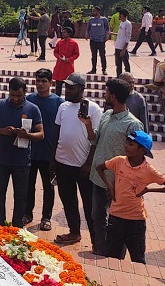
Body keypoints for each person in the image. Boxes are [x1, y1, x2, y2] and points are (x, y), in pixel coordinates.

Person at [85, 78, 144, 255]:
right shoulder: (106, 115)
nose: (104, 95)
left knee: (119, 220)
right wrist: (88, 126)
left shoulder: (132, 124)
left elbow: (137, 156)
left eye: (106, 92)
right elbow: (95, 139)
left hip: (118, 184)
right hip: (99, 178)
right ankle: (102, 249)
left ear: (113, 95)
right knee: (97, 217)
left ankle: (117, 253)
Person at [96, 130, 165, 263]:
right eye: (127, 143)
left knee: (138, 260)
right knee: (112, 257)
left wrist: (149, 190)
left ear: (142, 150)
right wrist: (110, 187)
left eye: (131, 144)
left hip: (136, 221)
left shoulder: (149, 171)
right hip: (116, 217)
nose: (126, 146)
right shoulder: (119, 161)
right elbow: (100, 168)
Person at [0, 77, 44, 228]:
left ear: (25, 92)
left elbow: (41, 134)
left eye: (18, 95)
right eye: (12, 95)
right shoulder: (0, 105)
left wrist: (27, 135)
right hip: (1, 160)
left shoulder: (32, 109)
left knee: (20, 196)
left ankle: (17, 226)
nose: (15, 98)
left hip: (22, 162)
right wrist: (2, 131)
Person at [52, 72, 103, 246]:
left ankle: (97, 241)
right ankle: (74, 233)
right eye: (66, 86)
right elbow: (57, 133)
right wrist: (53, 160)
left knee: (89, 205)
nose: (67, 90)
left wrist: (89, 163)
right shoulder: (63, 107)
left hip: (83, 167)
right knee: (68, 201)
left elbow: (96, 140)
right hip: (62, 163)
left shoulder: (94, 109)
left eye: (71, 87)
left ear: (81, 89)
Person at [25, 68, 64, 231]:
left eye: (44, 81)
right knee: (28, 185)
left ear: (51, 83)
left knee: (49, 187)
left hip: (49, 153)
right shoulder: (29, 100)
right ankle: (27, 213)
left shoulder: (59, 103)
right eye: (38, 81)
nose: (40, 84)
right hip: (29, 152)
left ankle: (46, 217)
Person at [52, 27, 79, 96]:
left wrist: (69, 59)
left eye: (65, 32)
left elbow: (76, 54)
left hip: (68, 66)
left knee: (69, 85)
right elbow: (55, 52)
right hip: (59, 66)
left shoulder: (74, 43)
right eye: (62, 32)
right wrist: (58, 57)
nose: (63, 34)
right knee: (58, 85)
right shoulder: (59, 42)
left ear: (69, 33)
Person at [86, 6, 110, 75]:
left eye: (94, 11)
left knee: (102, 55)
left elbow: (108, 29)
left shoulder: (104, 20)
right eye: (93, 11)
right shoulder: (91, 20)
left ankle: (104, 69)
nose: (93, 12)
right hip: (93, 40)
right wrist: (87, 34)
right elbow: (88, 29)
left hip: (101, 40)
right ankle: (93, 69)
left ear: (98, 12)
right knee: (94, 56)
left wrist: (106, 36)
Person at [113, 9, 132, 76]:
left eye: (119, 14)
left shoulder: (128, 24)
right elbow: (120, 34)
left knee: (126, 63)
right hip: (118, 46)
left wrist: (124, 49)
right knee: (118, 64)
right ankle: (118, 77)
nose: (119, 16)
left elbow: (128, 37)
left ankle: (128, 77)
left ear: (122, 15)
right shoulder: (121, 23)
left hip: (123, 47)